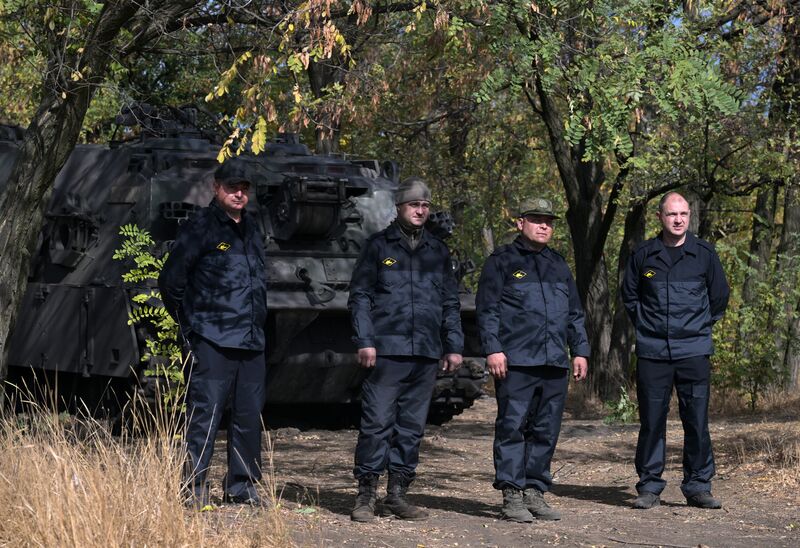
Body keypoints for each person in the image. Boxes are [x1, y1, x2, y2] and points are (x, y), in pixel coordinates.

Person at [347, 177, 464, 522]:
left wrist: (454, 345)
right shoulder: (378, 247)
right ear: (399, 207)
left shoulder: (438, 251)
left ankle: (397, 494)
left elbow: (449, 301)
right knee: (377, 423)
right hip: (386, 351)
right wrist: (365, 340)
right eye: (414, 205)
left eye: (425, 205)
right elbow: (360, 297)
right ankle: (366, 494)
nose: (420, 210)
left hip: (426, 352)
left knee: (411, 427)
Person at [159, 159, 268, 508]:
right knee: (205, 414)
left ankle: (242, 486)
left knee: (249, 416)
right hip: (213, 337)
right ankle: (192, 487)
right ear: (216, 188)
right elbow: (171, 281)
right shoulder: (201, 227)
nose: (239, 193)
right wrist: (189, 326)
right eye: (233, 187)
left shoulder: (253, 228)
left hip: (251, 338)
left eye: (244, 188)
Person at [476, 197, 590, 523]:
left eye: (549, 221)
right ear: (520, 223)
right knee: (512, 427)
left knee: (546, 429)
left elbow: (574, 313)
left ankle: (534, 491)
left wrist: (580, 350)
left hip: (554, 361)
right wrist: (493, 349)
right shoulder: (501, 261)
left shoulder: (558, 264)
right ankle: (511, 494)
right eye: (537, 219)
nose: (544, 226)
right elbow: (487, 310)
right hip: (516, 362)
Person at [622, 191, 729, 510]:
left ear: (689, 217)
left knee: (696, 420)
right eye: (672, 214)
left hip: (694, 352)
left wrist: (698, 328)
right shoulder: (643, 255)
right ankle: (650, 486)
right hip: (653, 353)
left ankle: (698, 486)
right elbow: (630, 297)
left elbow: (719, 296)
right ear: (660, 218)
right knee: (652, 421)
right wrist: (647, 325)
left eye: (683, 214)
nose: (678, 219)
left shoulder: (705, 254)